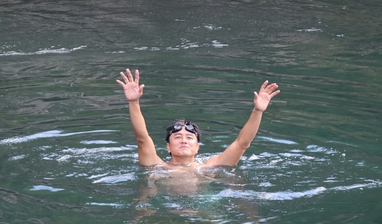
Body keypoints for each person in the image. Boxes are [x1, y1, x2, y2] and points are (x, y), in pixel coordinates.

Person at [116, 69, 280, 168]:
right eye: (177, 137)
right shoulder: (157, 166)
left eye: (189, 137)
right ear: (168, 147)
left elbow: (241, 144)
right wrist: (133, 101)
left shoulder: (209, 168)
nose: (184, 140)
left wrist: (258, 110)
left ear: (198, 147)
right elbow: (142, 139)